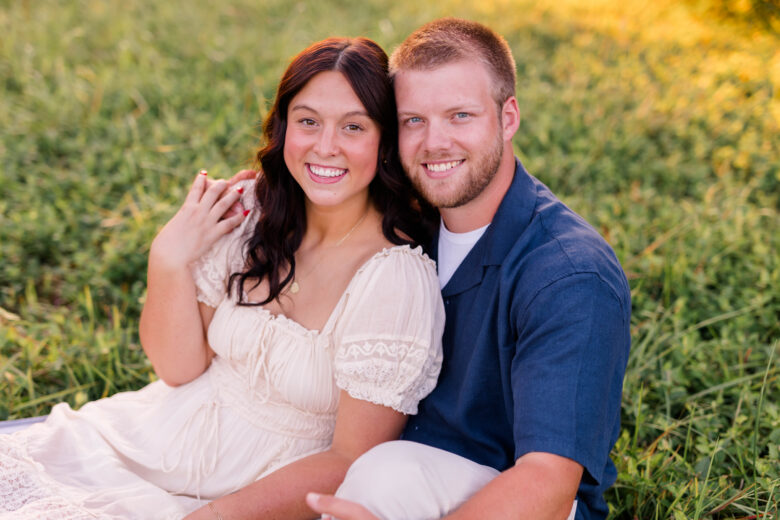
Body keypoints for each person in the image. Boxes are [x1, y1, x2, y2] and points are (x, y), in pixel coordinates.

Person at [0, 37, 444, 520]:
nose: (325, 146)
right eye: (308, 121)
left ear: (384, 143)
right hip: (148, 440)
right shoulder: (254, 212)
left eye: (353, 126)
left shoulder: (394, 280)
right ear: (283, 128)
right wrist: (167, 260)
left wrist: (209, 517)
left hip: (248, 496)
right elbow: (179, 369)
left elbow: (350, 460)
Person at [305, 18, 631, 520]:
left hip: (513, 496)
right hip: (395, 469)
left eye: (460, 115)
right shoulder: (405, 219)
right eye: (414, 120)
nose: (435, 142)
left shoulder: (570, 275)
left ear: (508, 117)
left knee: (384, 475)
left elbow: (547, 482)